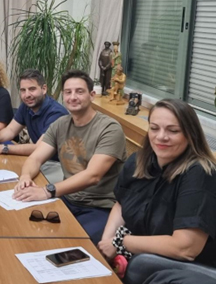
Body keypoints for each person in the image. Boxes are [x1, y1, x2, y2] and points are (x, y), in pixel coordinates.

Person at [98, 99, 216, 268]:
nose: (161, 137)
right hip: (135, 255)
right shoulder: (137, 161)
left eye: (173, 130)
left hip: (179, 269)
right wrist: (106, 244)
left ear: (191, 135)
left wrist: (120, 242)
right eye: (154, 128)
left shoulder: (200, 173)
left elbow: (185, 248)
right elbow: (121, 204)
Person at [13, 70, 127, 243]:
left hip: (99, 206)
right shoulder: (60, 125)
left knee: (72, 244)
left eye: (79, 92)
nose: (73, 97)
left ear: (92, 95)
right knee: (24, 229)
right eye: (68, 92)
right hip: (67, 198)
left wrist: (47, 191)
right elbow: (35, 158)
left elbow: (93, 175)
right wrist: (25, 177)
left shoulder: (110, 128)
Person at [0, 69, 68, 156]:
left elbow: (39, 148)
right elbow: (10, 130)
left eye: (32, 89)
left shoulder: (56, 113)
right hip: (40, 158)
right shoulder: (26, 106)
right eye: (23, 90)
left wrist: (3, 148)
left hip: (58, 163)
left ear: (44, 89)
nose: (27, 95)